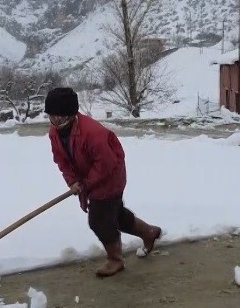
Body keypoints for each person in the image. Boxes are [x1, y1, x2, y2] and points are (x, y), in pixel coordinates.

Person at [44, 87, 163, 277]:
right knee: (114, 215)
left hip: (110, 176)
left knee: (99, 220)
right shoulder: (55, 133)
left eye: (60, 117)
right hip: (89, 178)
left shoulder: (92, 133)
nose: (56, 122)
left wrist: (86, 184)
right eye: (52, 117)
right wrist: (72, 181)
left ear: (72, 114)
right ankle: (148, 232)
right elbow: (62, 160)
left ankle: (115, 260)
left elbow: (106, 163)